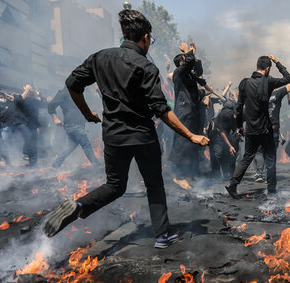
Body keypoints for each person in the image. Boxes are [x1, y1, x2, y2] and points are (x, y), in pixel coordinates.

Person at [42, 9, 209, 248]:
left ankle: (80, 206)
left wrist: (87, 113)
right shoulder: (146, 67)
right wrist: (191, 135)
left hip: (113, 136)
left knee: (114, 185)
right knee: (154, 184)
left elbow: (72, 84)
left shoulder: (100, 57)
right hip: (142, 136)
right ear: (146, 37)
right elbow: (162, 110)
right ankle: (162, 236)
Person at [225, 55, 290, 198]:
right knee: (270, 159)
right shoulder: (268, 81)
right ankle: (272, 190)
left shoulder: (244, 83)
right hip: (265, 129)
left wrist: (239, 127)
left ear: (257, 66)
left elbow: (238, 108)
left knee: (247, 157)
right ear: (267, 69)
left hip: (250, 129)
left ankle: (232, 185)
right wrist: (277, 61)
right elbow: (288, 79)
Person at [168, 41, 205, 179]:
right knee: (183, 142)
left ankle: (191, 173)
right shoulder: (178, 73)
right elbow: (188, 63)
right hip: (184, 112)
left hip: (193, 112)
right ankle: (178, 173)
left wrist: (193, 56)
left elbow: (199, 71)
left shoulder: (189, 74)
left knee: (192, 143)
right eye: (185, 60)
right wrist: (187, 52)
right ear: (180, 63)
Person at [48, 86, 100, 168]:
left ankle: (56, 164)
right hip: (73, 125)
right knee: (86, 145)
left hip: (76, 125)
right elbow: (51, 105)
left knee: (69, 147)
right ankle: (97, 165)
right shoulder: (63, 92)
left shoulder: (77, 93)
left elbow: (77, 110)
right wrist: (56, 118)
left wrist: (90, 116)